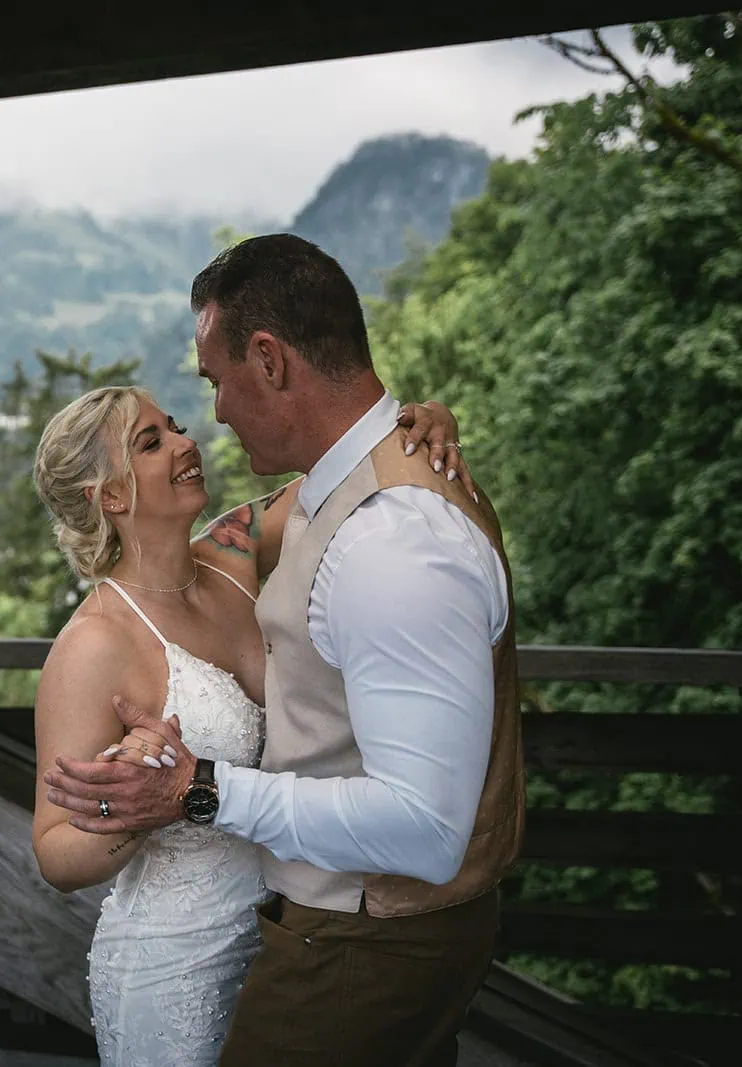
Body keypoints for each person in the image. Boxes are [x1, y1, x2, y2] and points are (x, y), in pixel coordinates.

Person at [43, 233, 524, 1067]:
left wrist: (419, 421)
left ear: (268, 360)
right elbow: (56, 843)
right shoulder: (102, 638)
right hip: (230, 938)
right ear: (111, 495)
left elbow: (347, 474)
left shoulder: (316, 544)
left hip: (339, 940)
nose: (208, 423)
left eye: (200, 397)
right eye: (153, 442)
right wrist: (136, 804)